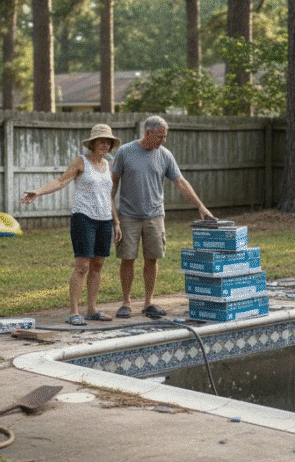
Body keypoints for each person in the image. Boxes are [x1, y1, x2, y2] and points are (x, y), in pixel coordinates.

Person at [112, 115, 216, 319]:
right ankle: (126, 303)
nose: (163, 140)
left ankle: (149, 302)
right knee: (127, 258)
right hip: (128, 216)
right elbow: (113, 182)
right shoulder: (125, 152)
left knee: (152, 258)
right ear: (147, 133)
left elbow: (180, 182)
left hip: (155, 216)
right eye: (160, 136)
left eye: (165, 136)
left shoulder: (165, 155)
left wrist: (200, 206)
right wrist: (112, 214)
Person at [21, 124, 120, 326]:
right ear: (93, 144)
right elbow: (60, 181)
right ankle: (74, 312)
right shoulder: (81, 162)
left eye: (108, 142)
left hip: (104, 220)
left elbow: (108, 196)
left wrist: (116, 221)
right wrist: (38, 192)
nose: (105, 145)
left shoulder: (107, 165)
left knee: (98, 265)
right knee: (83, 266)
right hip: (83, 218)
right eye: (101, 141)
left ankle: (92, 309)